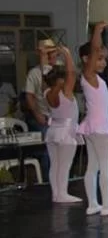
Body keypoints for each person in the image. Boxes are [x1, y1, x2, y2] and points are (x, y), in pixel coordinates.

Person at [77, 22, 108, 216]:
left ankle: (93, 204)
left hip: (92, 126)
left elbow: (96, 50)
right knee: (106, 166)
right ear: (87, 59)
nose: (103, 62)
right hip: (100, 127)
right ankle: (107, 205)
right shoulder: (88, 75)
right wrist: (97, 31)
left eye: (104, 59)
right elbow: (96, 47)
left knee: (94, 165)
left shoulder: (95, 79)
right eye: (99, 59)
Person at [44, 46, 80, 203]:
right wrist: (66, 53)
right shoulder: (64, 91)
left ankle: (56, 193)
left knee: (55, 164)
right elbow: (72, 73)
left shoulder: (46, 91)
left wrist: (45, 58)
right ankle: (62, 194)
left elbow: (45, 72)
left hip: (53, 131)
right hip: (66, 132)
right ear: (61, 79)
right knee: (65, 164)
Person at [24, 38, 55, 178]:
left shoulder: (59, 70)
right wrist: (37, 115)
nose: (49, 53)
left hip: (58, 117)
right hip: (43, 116)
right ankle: (47, 181)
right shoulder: (34, 73)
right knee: (47, 149)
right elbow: (29, 96)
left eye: (51, 50)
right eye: (46, 51)